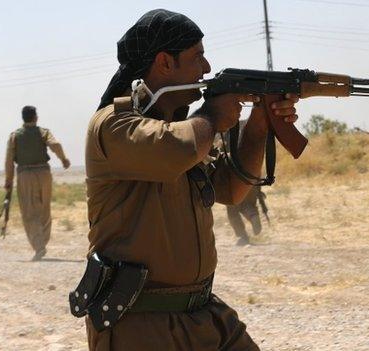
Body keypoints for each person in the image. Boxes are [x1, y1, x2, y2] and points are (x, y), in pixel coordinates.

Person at [84, 9, 298, 350]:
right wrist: (214, 116)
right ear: (165, 63)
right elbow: (176, 146)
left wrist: (260, 122)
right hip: (141, 325)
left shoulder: (183, 132)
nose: (207, 69)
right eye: (197, 56)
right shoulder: (114, 125)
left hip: (202, 313)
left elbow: (231, 189)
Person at [4, 105, 71, 261]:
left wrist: (8, 181)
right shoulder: (43, 132)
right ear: (35, 117)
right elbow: (56, 145)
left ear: (23, 118)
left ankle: (39, 246)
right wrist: (64, 160)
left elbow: (9, 161)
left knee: (30, 212)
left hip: (25, 175)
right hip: (44, 174)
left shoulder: (15, 136)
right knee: (44, 209)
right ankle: (43, 242)